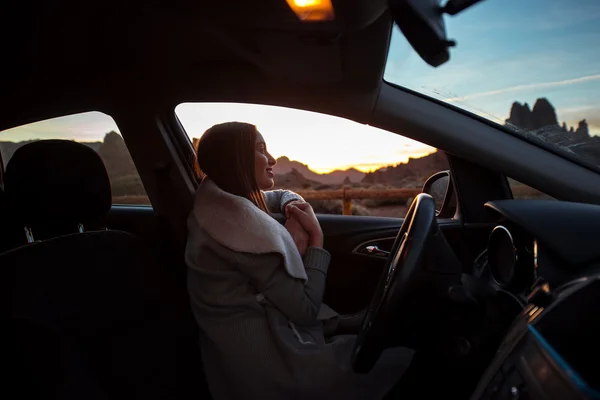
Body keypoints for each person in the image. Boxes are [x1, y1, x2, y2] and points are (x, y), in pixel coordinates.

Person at [185, 122, 413, 400]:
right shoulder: (240, 234)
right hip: (269, 367)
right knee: (403, 360)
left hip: (236, 352)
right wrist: (316, 238)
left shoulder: (221, 204)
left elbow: (281, 195)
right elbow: (304, 310)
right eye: (260, 149)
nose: (272, 159)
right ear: (236, 158)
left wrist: (293, 211)